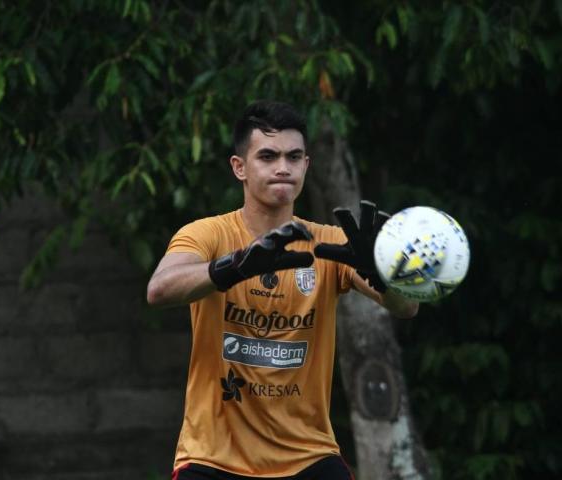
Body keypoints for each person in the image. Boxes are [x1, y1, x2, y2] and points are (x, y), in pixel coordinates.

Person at [146, 100, 418, 480]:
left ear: (306, 165)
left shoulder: (330, 243)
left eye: (294, 157)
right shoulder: (207, 234)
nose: (283, 168)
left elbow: (406, 308)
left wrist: (385, 279)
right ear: (239, 167)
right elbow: (159, 289)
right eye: (268, 156)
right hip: (213, 460)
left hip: (309, 457)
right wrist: (235, 266)